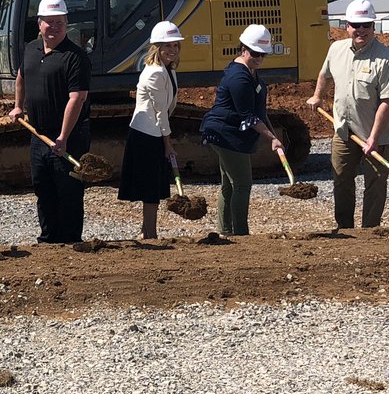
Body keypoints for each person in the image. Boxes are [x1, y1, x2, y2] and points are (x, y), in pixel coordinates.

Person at [307, 0, 389, 229]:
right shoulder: (336, 49)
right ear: (347, 25)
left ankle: (370, 231)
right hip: (343, 131)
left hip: (376, 135)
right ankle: (345, 228)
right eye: (355, 25)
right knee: (341, 180)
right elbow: (325, 74)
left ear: (373, 26)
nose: (360, 30)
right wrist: (318, 96)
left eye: (366, 25)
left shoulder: (387, 60)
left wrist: (373, 138)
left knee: (375, 184)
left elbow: (388, 103)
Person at [8, 0, 91, 243]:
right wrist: (17, 106)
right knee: (43, 190)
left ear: (67, 24)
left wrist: (63, 137)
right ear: (39, 23)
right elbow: (22, 77)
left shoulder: (75, 57)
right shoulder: (31, 49)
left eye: (59, 22)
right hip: (38, 134)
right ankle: (48, 240)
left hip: (67, 137)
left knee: (68, 191)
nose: (53, 27)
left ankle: (70, 241)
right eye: (49, 22)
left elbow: (76, 99)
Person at [199, 25, 285, 236]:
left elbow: (260, 112)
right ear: (243, 49)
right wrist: (271, 138)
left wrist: (273, 136)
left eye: (263, 54)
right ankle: (240, 233)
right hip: (225, 134)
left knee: (229, 184)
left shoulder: (250, 72)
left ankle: (226, 230)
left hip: (231, 133)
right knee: (243, 184)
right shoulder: (239, 77)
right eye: (255, 53)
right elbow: (249, 116)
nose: (259, 58)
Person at [118, 21, 184, 239]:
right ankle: (150, 232)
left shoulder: (168, 71)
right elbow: (160, 112)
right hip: (147, 136)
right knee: (150, 187)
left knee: (154, 186)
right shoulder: (155, 73)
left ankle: (148, 230)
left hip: (154, 134)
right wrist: (168, 144)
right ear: (157, 48)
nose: (172, 51)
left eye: (175, 46)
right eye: (167, 46)